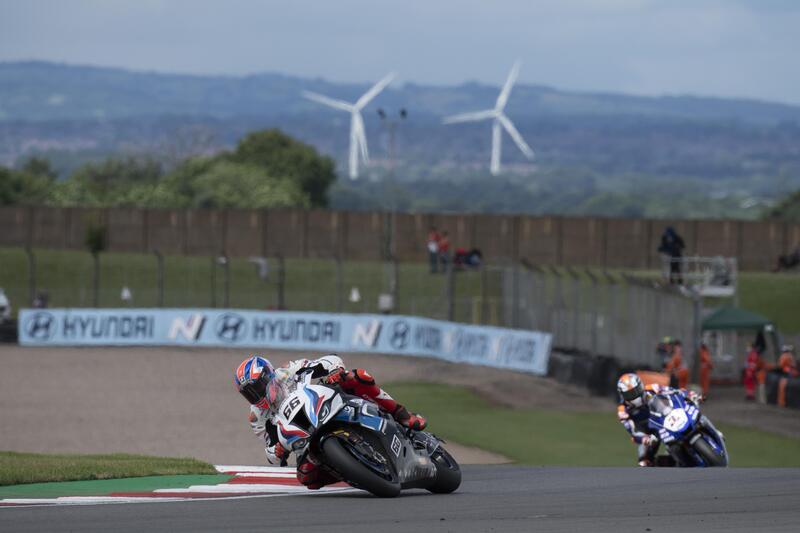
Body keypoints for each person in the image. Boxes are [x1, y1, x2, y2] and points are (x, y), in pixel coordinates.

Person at [235, 354, 427, 490]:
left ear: (268, 375)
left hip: (325, 403)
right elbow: (270, 453)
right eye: (249, 394)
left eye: (257, 387)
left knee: (357, 377)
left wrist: (335, 371)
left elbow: (329, 360)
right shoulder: (257, 416)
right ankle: (352, 471)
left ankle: (401, 413)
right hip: (304, 437)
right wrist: (277, 450)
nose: (256, 395)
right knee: (306, 477)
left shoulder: (288, 371)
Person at [616, 373, 703, 466]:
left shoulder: (652, 388)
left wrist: (689, 394)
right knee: (643, 462)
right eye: (629, 394)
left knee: (692, 412)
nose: (634, 396)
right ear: (622, 395)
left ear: (641, 386)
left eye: (635, 391)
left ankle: (709, 430)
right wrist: (644, 438)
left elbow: (673, 391)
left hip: (665, 418)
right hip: (649, 432)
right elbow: (632, 431)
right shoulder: (623, 410)